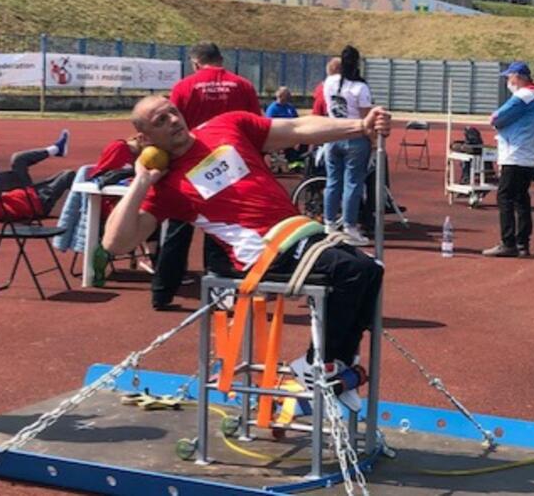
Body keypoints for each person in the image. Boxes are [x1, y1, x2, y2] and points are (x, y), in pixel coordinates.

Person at [102, 95, 390, 409]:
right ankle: (315, 365)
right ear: (145, 139)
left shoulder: (228, 125)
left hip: (297, 231)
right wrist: (142, 180)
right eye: (160, 121)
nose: (172, 120)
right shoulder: (167, 187)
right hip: (262, 252)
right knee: (351, 272)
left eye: (172, 112)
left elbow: (297, 127)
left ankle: (336, 364)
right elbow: (115, 244)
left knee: (372, 269)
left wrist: (360, 126)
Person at [154, 42, 263, 310]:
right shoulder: (243, 85)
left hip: (191, 162)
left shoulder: (183, 87)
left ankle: (162, 292)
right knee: (222, 231)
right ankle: (219, 296)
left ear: (195, 63)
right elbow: (257, 127)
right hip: (229, 163)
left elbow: (170, 126)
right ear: (221, 59)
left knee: (178, 226)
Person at [482, 61, 534, 258]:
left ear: (518, 77)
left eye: (510, 77)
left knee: (505, 197)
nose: (508, 81)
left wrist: (496, 121)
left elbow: (496, 118)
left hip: (515, 155)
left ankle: (508, 242)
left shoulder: (522, 96)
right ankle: (522, 243)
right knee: (521, 199)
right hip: (530, 156)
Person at [0, 130, 73, 222]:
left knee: (17, 159)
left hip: (27, 190)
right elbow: (16, 215)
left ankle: (57, 149)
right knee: (68, 175)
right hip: (38, 203)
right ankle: (87, 207)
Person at [322, 46, 373, 246]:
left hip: (332, 133)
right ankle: (350, 227)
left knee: (333, 180)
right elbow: (366, 118)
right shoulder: (361, 87)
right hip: (354, 136)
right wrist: (374, 140)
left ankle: (329, 222)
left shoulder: (329, 82)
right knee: (353, 183)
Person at [266, 86, 305, 169]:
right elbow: (269, 125)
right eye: (286, 95)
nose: (288, 96)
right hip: (280, 135)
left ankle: (299, 162)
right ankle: (292, 162)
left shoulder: (290, 107)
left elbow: (297, 121)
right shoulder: (272, 109)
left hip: (292, 133)